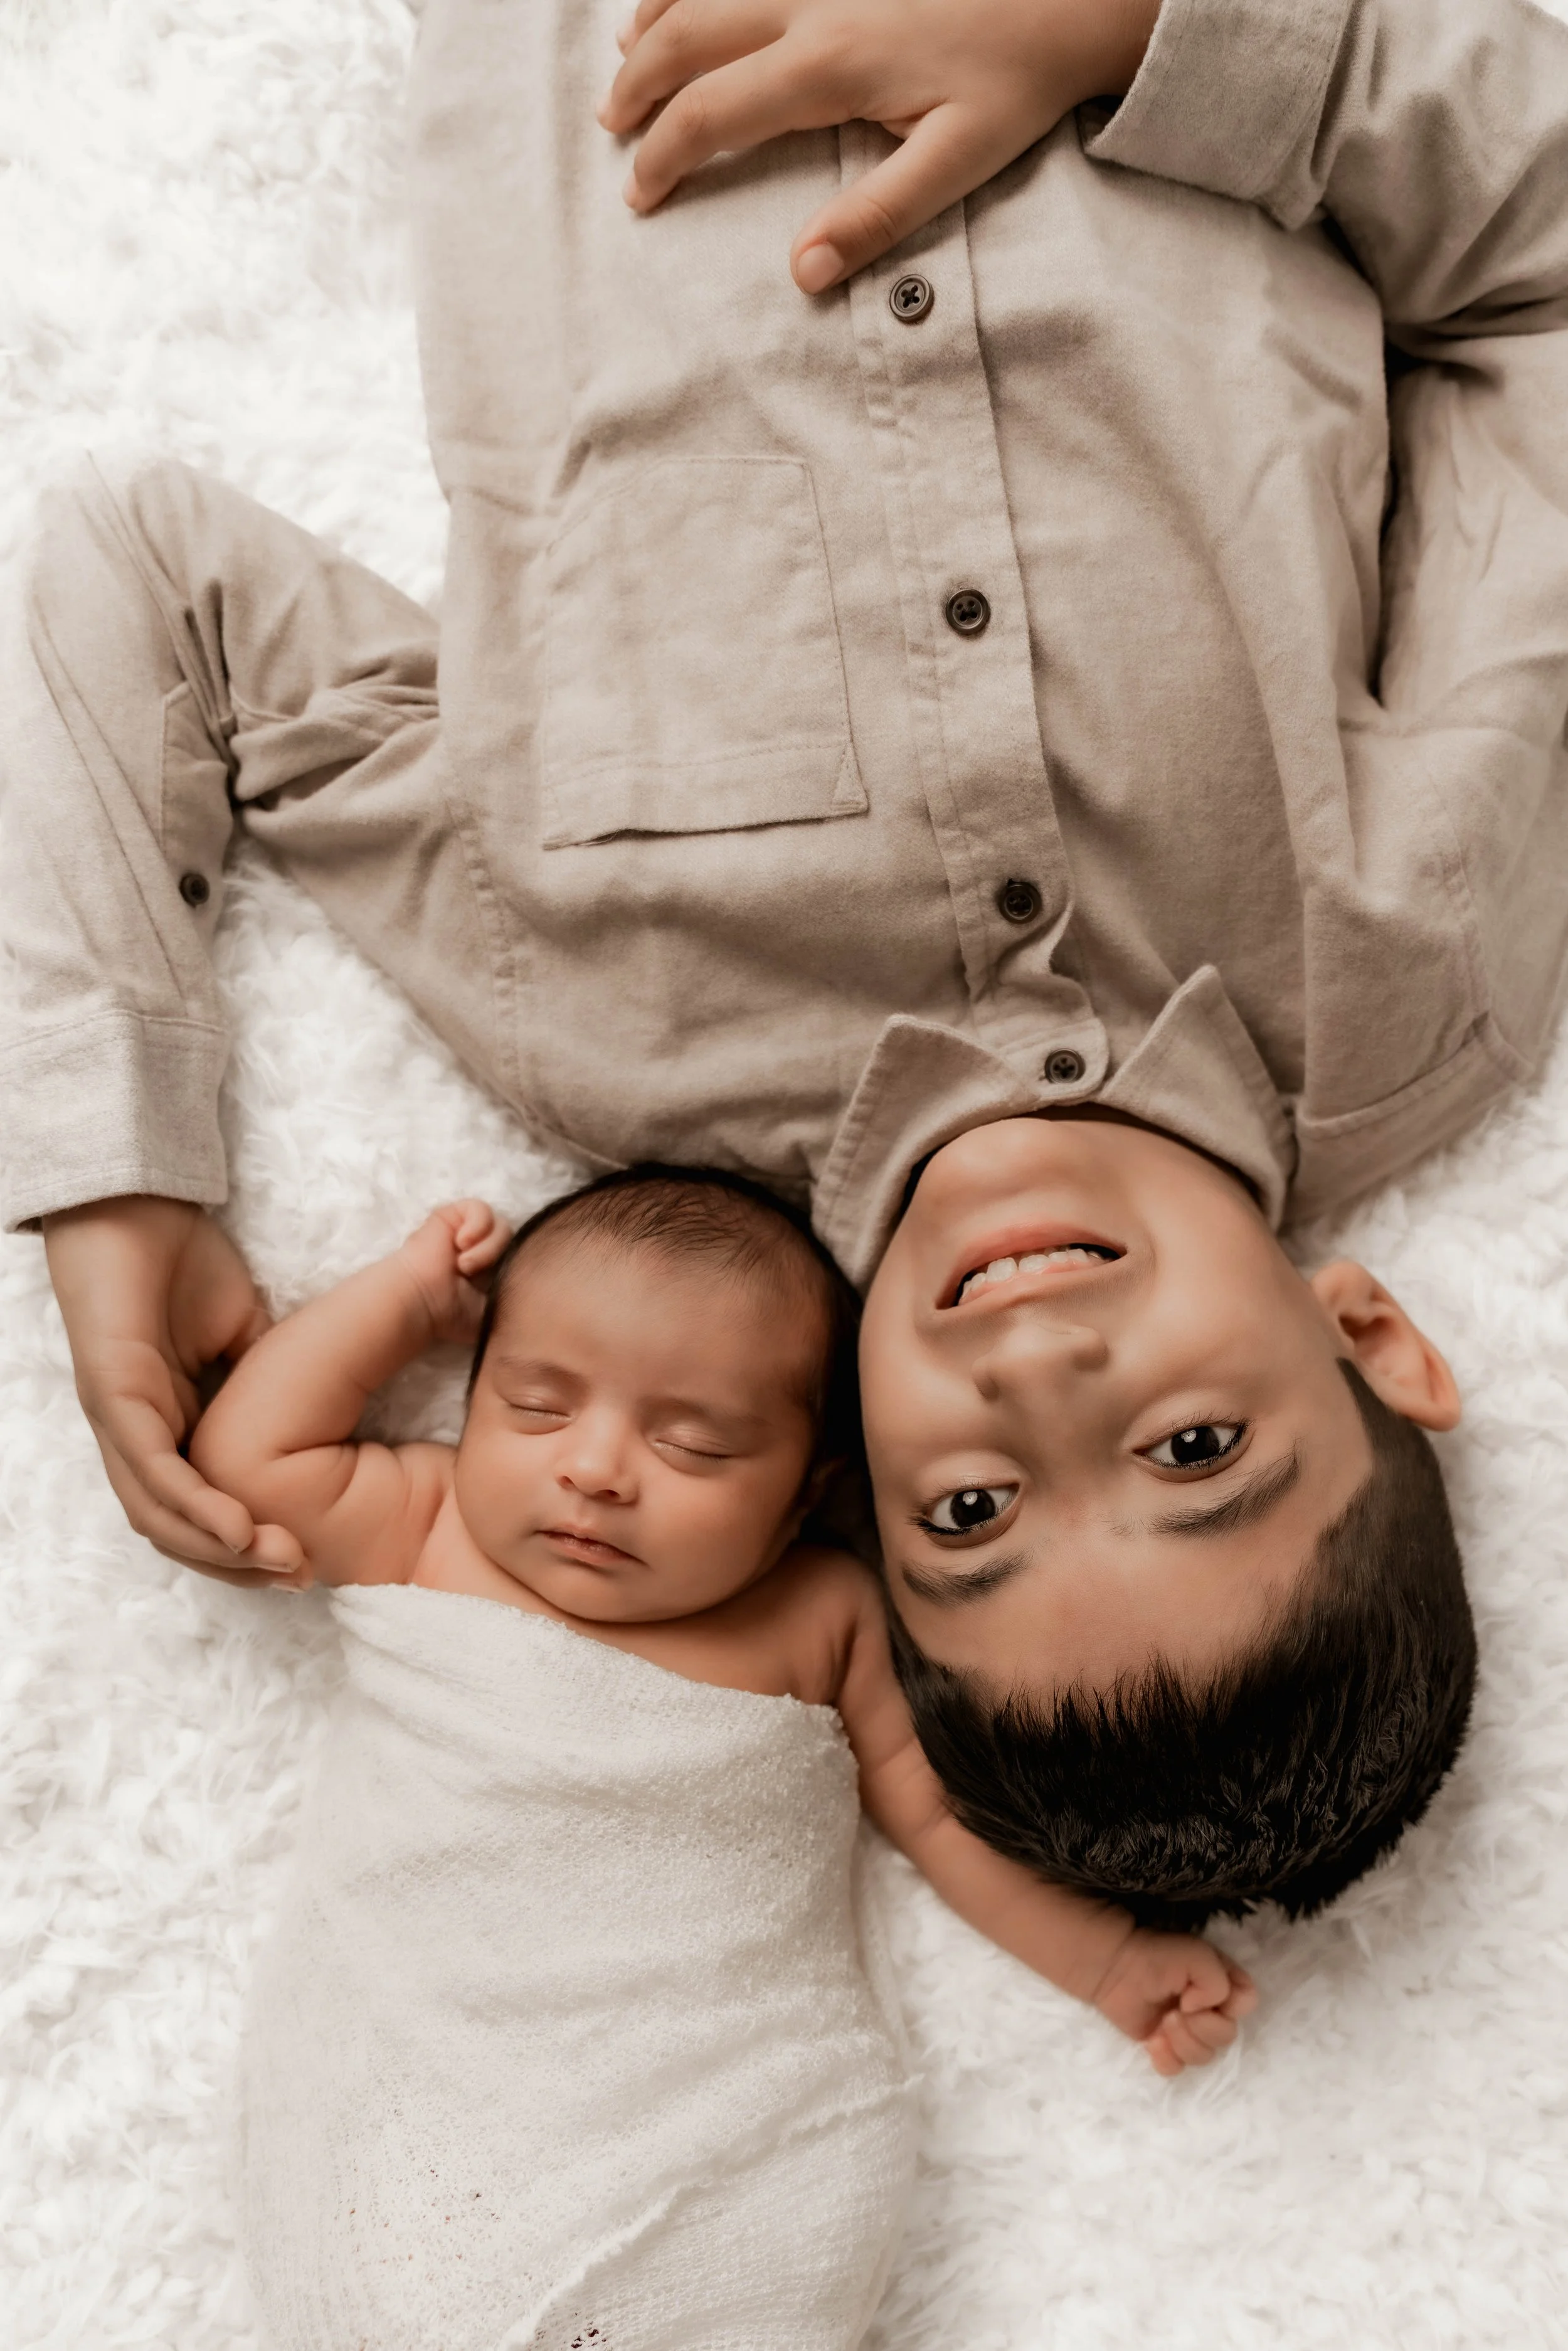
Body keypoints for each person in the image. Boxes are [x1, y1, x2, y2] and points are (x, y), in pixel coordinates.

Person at [8, 0, 1567, 1913]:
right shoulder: (1425, 955)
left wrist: (119, 1153)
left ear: (838, 1486)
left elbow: (136, 574)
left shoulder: (593, 1023)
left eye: (972, 1510)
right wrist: (1130, 34)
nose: (1042, 1372)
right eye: (1190, 1440)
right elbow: (1540, 284)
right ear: (1366, 1338)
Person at [194, 1168, 1253, 2346]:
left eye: (693, 1446)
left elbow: (942, 1822)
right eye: (537, 1408)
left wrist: (1105, 1961)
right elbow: (243, 1460)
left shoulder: (821, 1613)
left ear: (808, 1495)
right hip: (432, 2069)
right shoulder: (428, 1521)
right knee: (408, 2258)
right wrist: (404, 1299)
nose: (594, 1469)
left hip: (715, 2112)